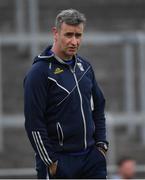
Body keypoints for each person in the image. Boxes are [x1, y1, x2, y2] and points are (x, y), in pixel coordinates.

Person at [24, 9, 108, 179]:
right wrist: (51, 162)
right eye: (68, 34)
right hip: (60, 162)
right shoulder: (39, 72)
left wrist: (101, 145)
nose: (74, 41)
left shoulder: (85, 67)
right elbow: (34, 123)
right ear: (55, 33)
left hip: (91, 159)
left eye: (78, 35)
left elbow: (99, 106)